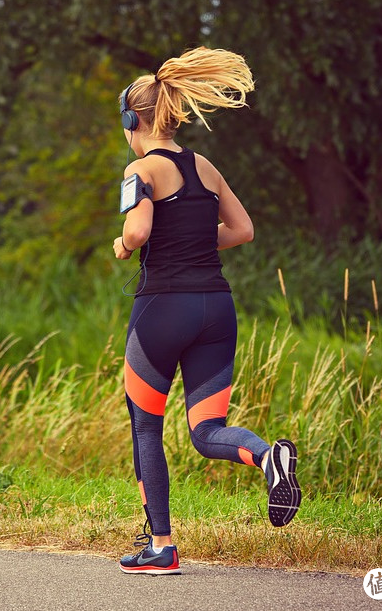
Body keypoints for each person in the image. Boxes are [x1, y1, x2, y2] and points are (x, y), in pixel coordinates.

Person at [112, 46, 301, 575]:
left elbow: (140, 229)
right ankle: (268, 457)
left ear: (134, 119)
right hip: (216, 309)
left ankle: (162, 546)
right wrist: (192, 239)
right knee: (206, 430)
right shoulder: (205, 166)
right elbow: (243, 231)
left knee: (146, 427)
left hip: (162, 311)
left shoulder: (140, 169)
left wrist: (127, 246)